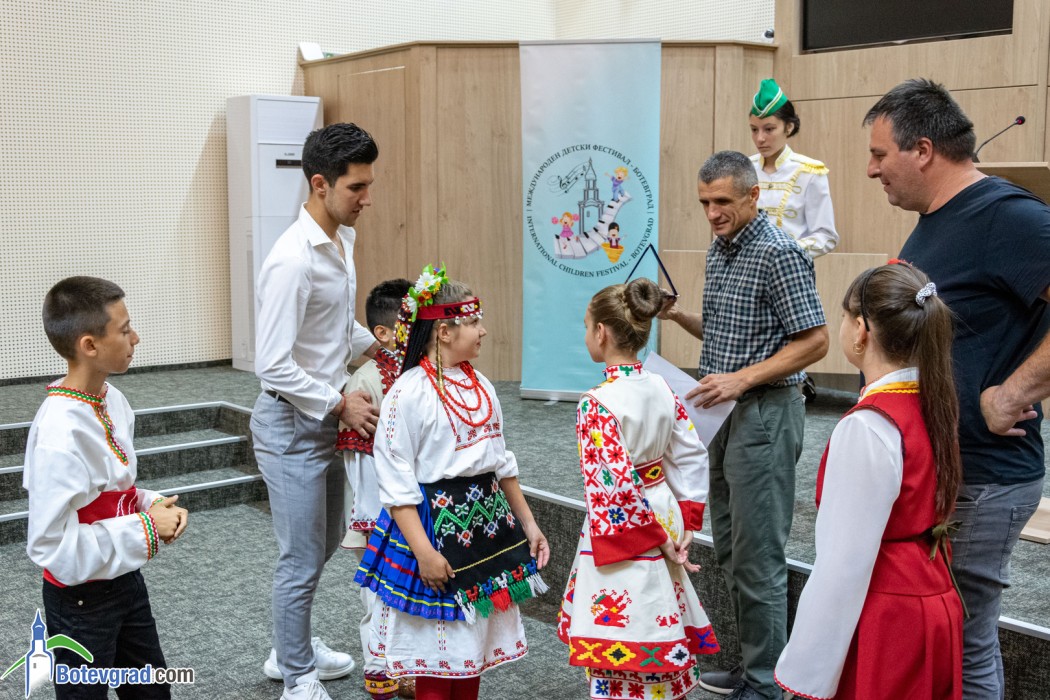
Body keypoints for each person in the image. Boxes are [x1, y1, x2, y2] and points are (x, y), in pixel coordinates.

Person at [864, 78, 1050, 699]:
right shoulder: (935, 221)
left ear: (922, 150)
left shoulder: (1007, 216)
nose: (872, 170)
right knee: (946, 639)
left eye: (880, 154)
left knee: (966, 645)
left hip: (986, 476)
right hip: (948, 471)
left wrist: (1011, 393)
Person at [661, 151, 828, 700]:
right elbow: (725, 330)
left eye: (722, 201)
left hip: (765, 414)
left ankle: (767, 683)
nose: (712, 213)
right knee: (732, 550)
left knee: (759, 559)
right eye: (704, 202)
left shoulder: (779, 253)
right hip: (722, 415)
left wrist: (741, 379)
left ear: (754, 196)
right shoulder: (721, 248)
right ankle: (755, 665)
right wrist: (676, 314)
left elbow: (815, 341)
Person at [354, 265, 550, 700]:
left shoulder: (482, 386)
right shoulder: (409, 392)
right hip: (435, 528)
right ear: (444, 331)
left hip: (484, 525)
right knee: (436, 658)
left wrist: (529, 524)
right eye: (474, 321)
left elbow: (502, 464)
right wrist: (424, 552)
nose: (483, 330)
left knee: (469, 652)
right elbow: (396, 483)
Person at [774, 262, 964, 699]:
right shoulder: (932, 401)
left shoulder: (868, 426)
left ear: (861, 330)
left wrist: (806, 670)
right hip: (932, 591)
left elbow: (843, 563)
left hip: (886, 611)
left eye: (844, 317)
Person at [253, 122, 382, 700]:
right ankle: (295, 675)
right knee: (300, 558)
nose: (366, 198)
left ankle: (290, 647)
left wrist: (380, 348)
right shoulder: (293, 260)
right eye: (356, 187)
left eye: (369, 184)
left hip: (325, 419)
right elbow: (272, 364)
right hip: (291, 423)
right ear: (320, 184)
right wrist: (339, 403)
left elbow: (333, 328)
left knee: (324, 543)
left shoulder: (341, 240)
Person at [24, 276, 189, 699]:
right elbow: (50, 545)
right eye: (125, 329)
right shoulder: (59, 431)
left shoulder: (112, 399)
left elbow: (113, 490)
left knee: (152, 690)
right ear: (89, 345)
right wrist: (146, 528)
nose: (136, 338)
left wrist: (151, 504)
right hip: (80, 601)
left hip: (124, 578)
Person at [556, 278, 720, 700]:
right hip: (662, 506)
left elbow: (611, 485)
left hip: (627, 527)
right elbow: (690, 453)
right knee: (661, 612)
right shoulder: (662, 385)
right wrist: (687, 521)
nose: (586, 334)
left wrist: (655, 537)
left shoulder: (597, 401)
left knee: (626, 628)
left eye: (586, 326)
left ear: (601, 332)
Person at [335, 277, 413, 700]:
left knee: (413, 592)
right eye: (412, 320)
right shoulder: (365, 382)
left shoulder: (423, 372)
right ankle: (380, 669)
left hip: (417, 510)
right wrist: (373, 521)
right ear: (382, 332)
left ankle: (410, 667)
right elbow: (360, 465)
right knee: (381, 597)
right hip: (380, 515)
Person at [749, 78, 839, 259]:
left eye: (769, 129)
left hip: (791, 269)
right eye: (754, 129)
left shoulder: (809, 172)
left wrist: (786, 250)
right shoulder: (744, 168)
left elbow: (826, 236)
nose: (760, 138)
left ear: (788, 127)